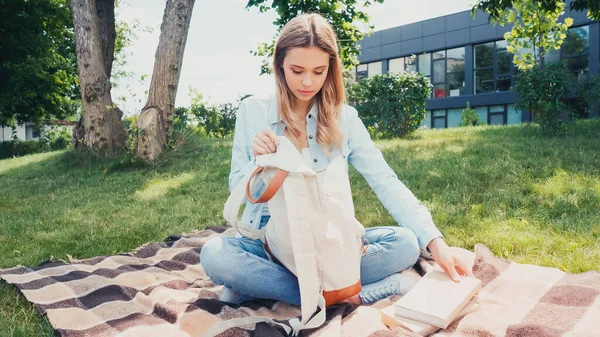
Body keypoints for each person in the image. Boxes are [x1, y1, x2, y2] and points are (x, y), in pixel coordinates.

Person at [200, 13, 474, 306]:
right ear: (280, 64)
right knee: (216, 255)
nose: (308, 82)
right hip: (269, 244)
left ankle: (264, 287)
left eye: (318, 71)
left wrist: (436, 243)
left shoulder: (345, 118)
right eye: (297, 70)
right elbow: (240, 193)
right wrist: (260, 164)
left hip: (329, 243)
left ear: (331, 69)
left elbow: (385, 181)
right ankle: (352, 292)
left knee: (406, 243)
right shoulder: (253, 111)